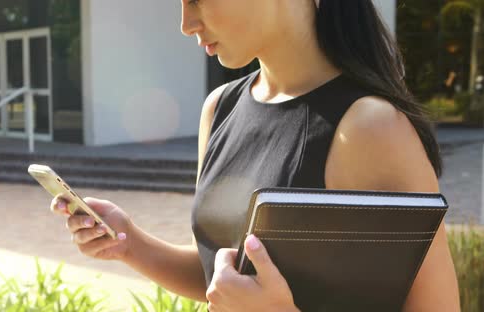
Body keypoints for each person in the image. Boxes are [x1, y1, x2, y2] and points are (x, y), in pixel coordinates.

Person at [50, 0, 461, 311]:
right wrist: (129, 243)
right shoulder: (220, 109)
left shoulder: (370, 128)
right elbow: (224, 275)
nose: (186, 23)